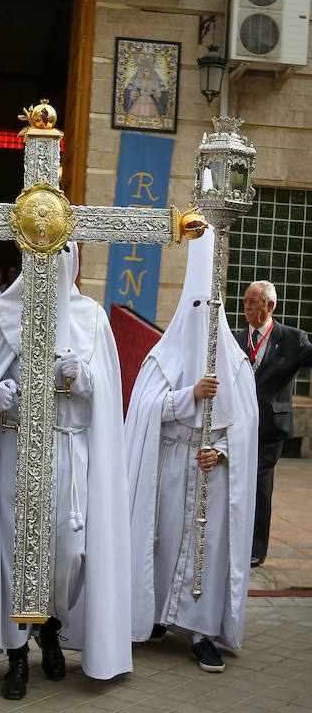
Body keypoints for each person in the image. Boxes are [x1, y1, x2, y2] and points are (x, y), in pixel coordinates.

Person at [0, 244, 132, 699]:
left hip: (70, 452)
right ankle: (17, 655)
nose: (52, 261)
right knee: (16, 553)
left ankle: (51, 624)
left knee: (70, 551)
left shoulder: (92, 316)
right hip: (17, 452)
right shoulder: (1, 314)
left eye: (61, 250)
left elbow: (110, 394)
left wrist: (85, 377)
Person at [126, 222, 258, 673]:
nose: (203, 315)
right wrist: (190, 396)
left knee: (207, 549)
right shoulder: (164, 356)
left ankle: (202, 633)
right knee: (160, 542)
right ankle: (155, 615)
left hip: (210, 472)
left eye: (211, 307)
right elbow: (143, 411)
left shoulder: (236, 365)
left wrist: (220, 454)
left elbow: (245, 428)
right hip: (168, 467)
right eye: (196, 305)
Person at [235, 280, 312, 567]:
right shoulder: (237, 339)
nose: (246, 306)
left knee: (259, 483)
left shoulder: (292, 338)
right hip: (240, 424)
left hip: (271, 428)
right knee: (238, 483)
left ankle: (256, 549)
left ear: (270, 305)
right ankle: (236, 540)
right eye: (245, 301)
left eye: (253, 301)